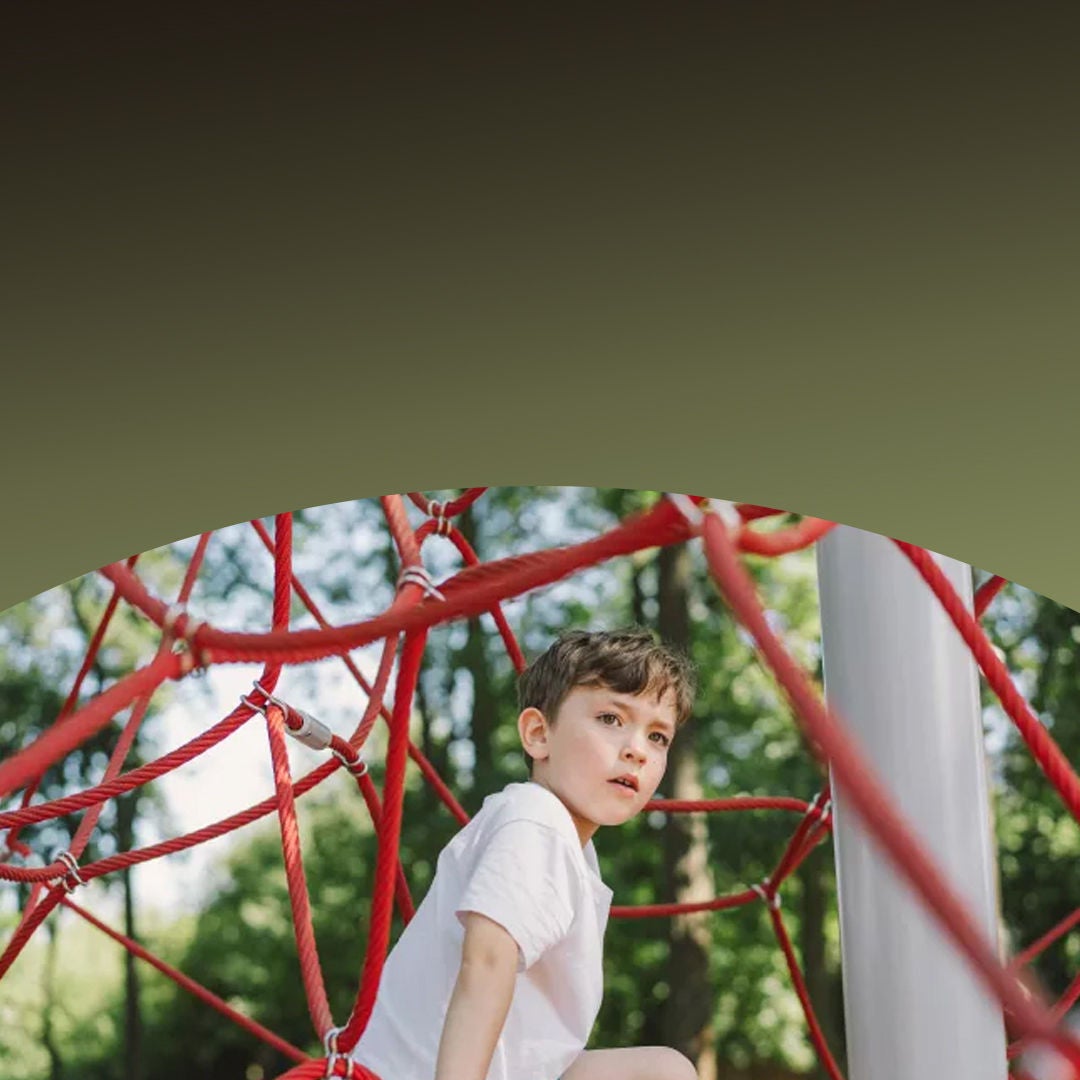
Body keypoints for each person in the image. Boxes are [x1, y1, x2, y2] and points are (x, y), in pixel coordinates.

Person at [350, 628, 699, 1080]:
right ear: (538, 734)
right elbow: (487, 961)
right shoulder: (536, 820)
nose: (636, 750)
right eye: (611, 719)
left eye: (658, 737)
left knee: (664, 1071)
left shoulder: (572, 849)